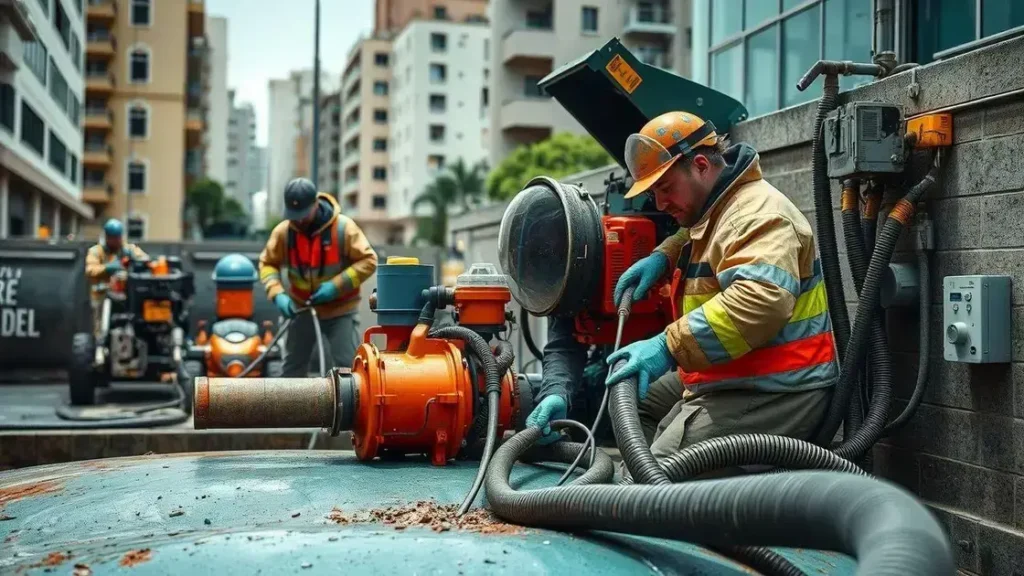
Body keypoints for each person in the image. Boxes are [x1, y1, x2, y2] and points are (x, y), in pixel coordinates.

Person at [527, 111, 838, 457]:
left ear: (702, 165)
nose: (659, 204)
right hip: (731, 372)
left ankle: (666, 492)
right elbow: (701, 232)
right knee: (629, 398)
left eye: (665, 188)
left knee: (658, 474)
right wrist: (666, 254)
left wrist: (667, 346)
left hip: (774, 387)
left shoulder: (758, 214)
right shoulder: (717, 208)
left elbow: (761, 301)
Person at [258, 178, 378, 376]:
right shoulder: (283, 233)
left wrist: (336, 286)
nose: (299, 220)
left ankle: (348, 406)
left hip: (340, 310)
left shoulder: (343, 228)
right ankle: (293, 406)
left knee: (350, 367)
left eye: (303, 215)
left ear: (316, 203)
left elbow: (369, 261)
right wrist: (277, 293)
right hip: (300, 309)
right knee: (292, 367)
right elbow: (267, 264)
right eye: (294, 216)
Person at [84, 218, 149, 337]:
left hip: (125, 296)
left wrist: (136, 261)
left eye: (118, 237)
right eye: (112, 238)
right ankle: (100, 341)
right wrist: (107, 268)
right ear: (107, 237)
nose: (115, 241)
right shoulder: (96, 251)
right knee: (100, 326)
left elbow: (146, 261)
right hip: (103, 294)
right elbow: (90, 270)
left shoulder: (129, 249)